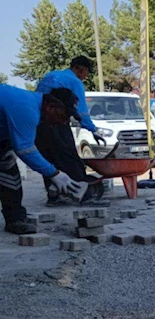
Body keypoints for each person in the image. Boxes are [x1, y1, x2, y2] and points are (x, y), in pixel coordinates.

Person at [0, 85, 84, 234]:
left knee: (9, 173)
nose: (64, 122)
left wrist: (10, 148)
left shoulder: (31, 105)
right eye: (64, 115)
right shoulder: (27, 109)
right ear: (51, 107)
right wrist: (54, 174)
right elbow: (25, 149)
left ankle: (15, 219)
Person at [36, 56, 106, 204]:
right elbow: (81, 111)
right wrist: (92, 130)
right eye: (87, 73)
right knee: (70, 158)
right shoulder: (74, 82)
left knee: (49, 159)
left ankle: (54, 195)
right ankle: (84, 195)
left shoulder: (51, 75)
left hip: (39, 123)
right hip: (57, 122)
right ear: (82, 69)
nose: (86, 76)